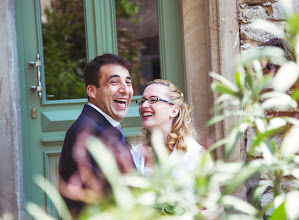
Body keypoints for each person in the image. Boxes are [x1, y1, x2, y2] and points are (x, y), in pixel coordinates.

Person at [58, 53, 134, 217]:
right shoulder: (88, 134)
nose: (125, 89)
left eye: (128, 82)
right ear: (91, 91)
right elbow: (109, 198)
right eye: (114, 82)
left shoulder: (105, 128)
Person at [131, 79, 213, 177]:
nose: (144, 105)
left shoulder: (195, 155)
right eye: (142, 101)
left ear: (174, 111)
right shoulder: (137, 154)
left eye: (154, 100)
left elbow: (211, 192)